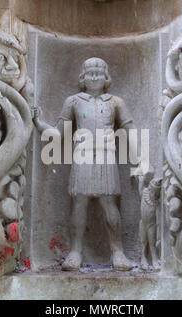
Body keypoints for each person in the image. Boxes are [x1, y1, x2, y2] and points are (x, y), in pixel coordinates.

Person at [32, 57, 144, 271]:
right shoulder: (73, 101)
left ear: (106, 77)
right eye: (90, 73)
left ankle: (117, 250)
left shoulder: (115, 102)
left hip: (106, 156)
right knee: (79, 203)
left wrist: (139, 158)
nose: (94, 77)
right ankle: (75, 251)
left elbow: (130, 130)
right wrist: (39, 122)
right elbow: (59, 133)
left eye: (99, 73)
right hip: (81, 155)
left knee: (110, 204)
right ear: (83, 77)